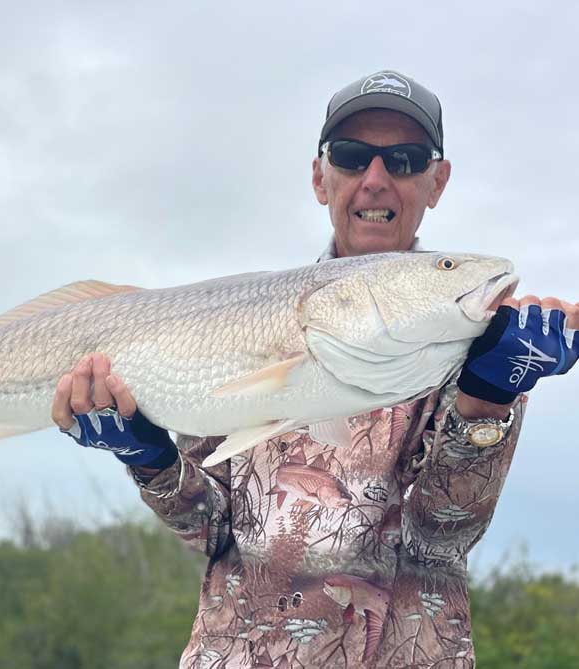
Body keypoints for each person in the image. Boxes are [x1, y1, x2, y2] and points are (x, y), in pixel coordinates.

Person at [50, 70, 579, 668]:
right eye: (352, 157)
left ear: (437, 181)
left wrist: (487, 399)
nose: (376, 180)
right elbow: (212, 532)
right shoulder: (241, 321)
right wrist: (147, 455)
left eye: (405, 160)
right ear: (319, 177)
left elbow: (441, 538)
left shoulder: (474, 340)